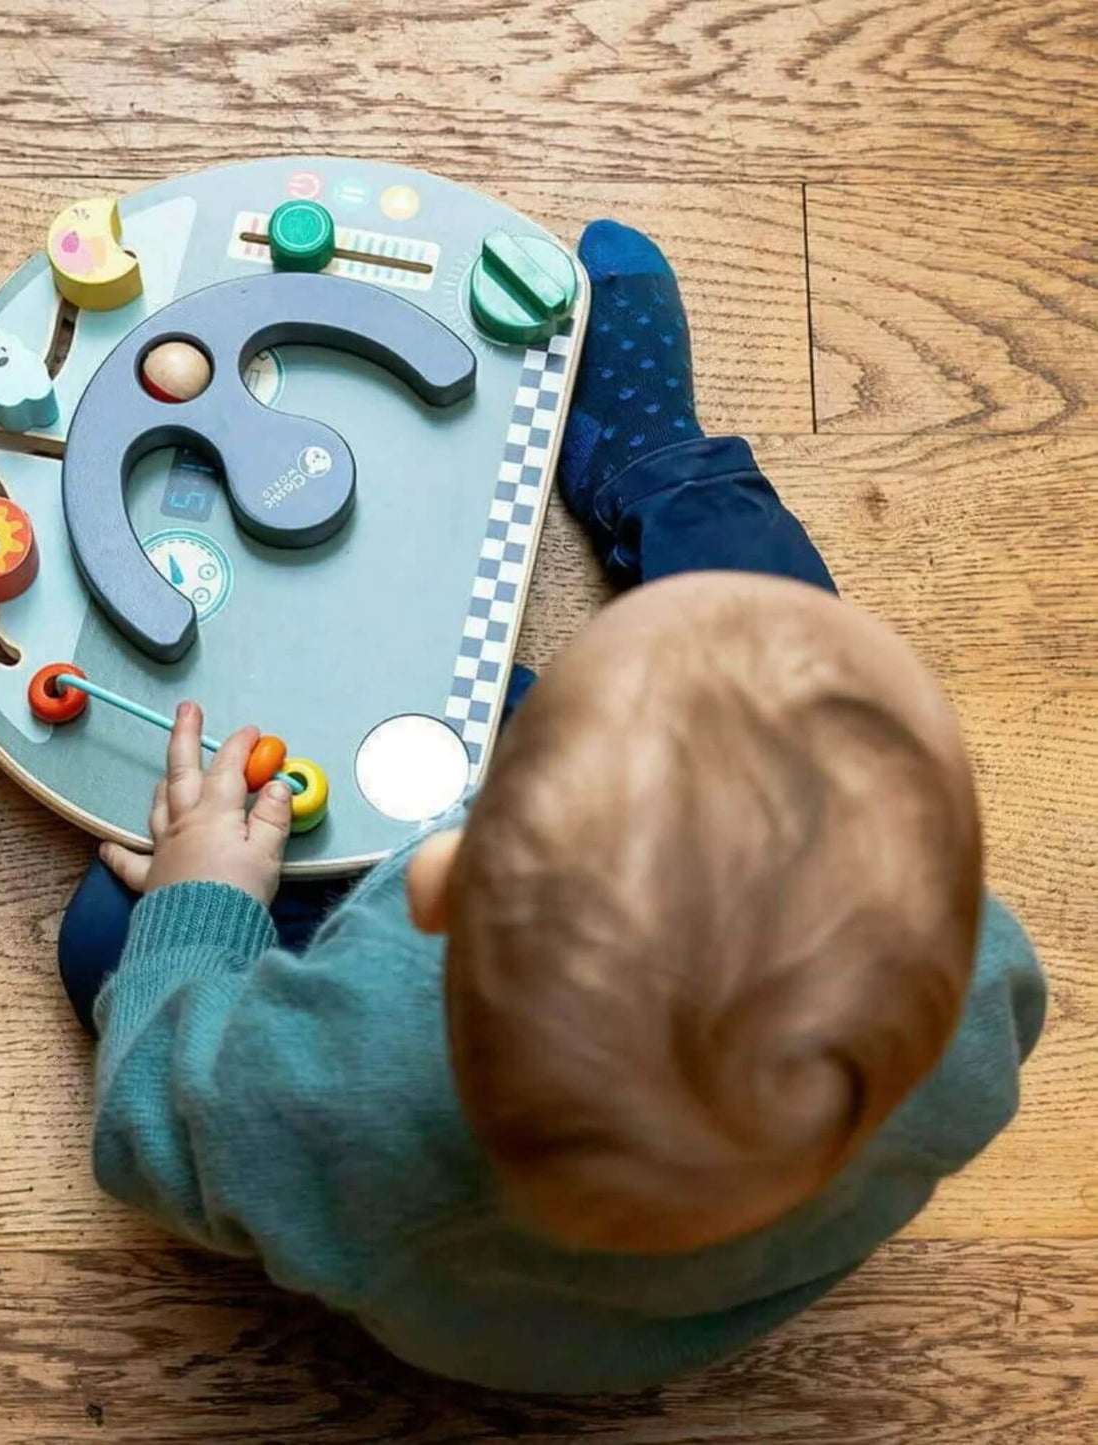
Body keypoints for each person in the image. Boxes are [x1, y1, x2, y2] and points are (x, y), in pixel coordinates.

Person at [56, 221, 1045, 1392]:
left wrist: (201, 905)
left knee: (106, 935)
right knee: (764, 631)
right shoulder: (972, 982)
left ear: (434, 871)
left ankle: (667, 550)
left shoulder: (336, 1074)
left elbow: (153, 1133)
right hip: (668, 1303)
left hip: (465, 1294)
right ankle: (650, 456)